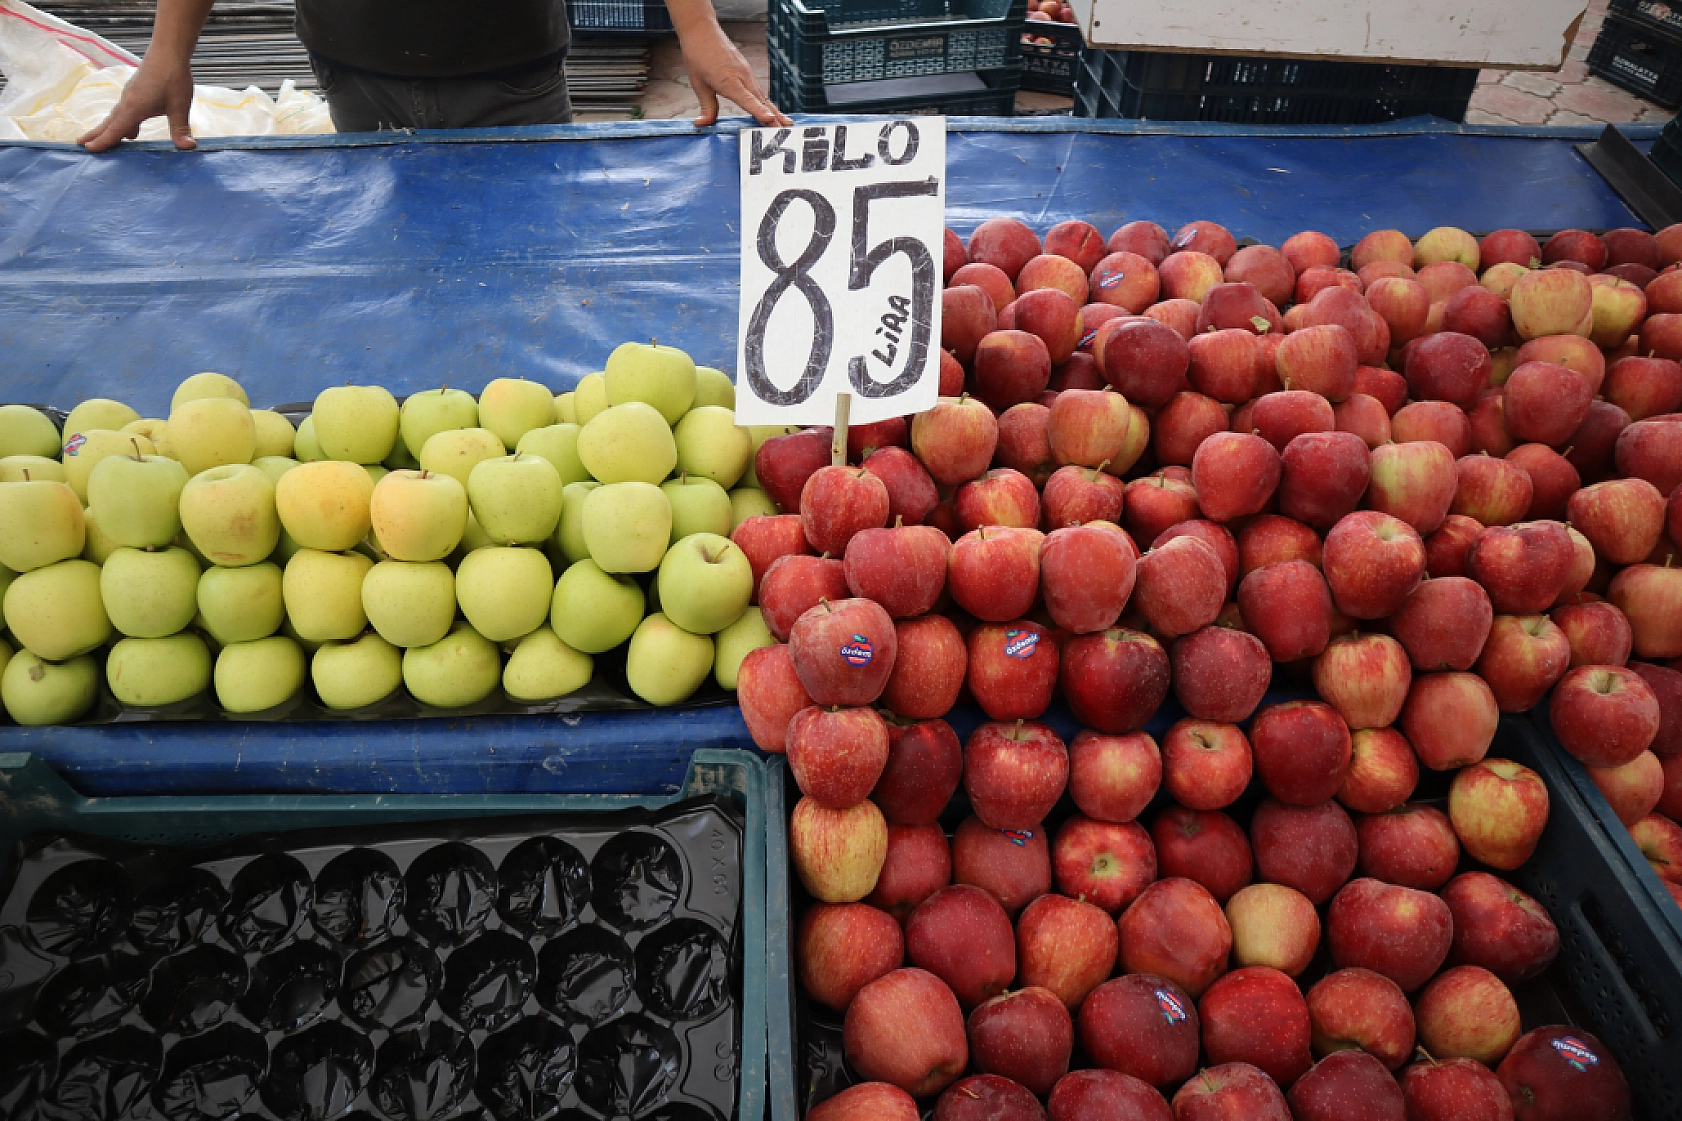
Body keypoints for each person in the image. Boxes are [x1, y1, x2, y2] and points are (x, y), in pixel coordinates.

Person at [79, 0, 789, 151]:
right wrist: (168, 50)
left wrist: (697, 26)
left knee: (531, 274)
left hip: (511, 71)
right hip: (355, 69)